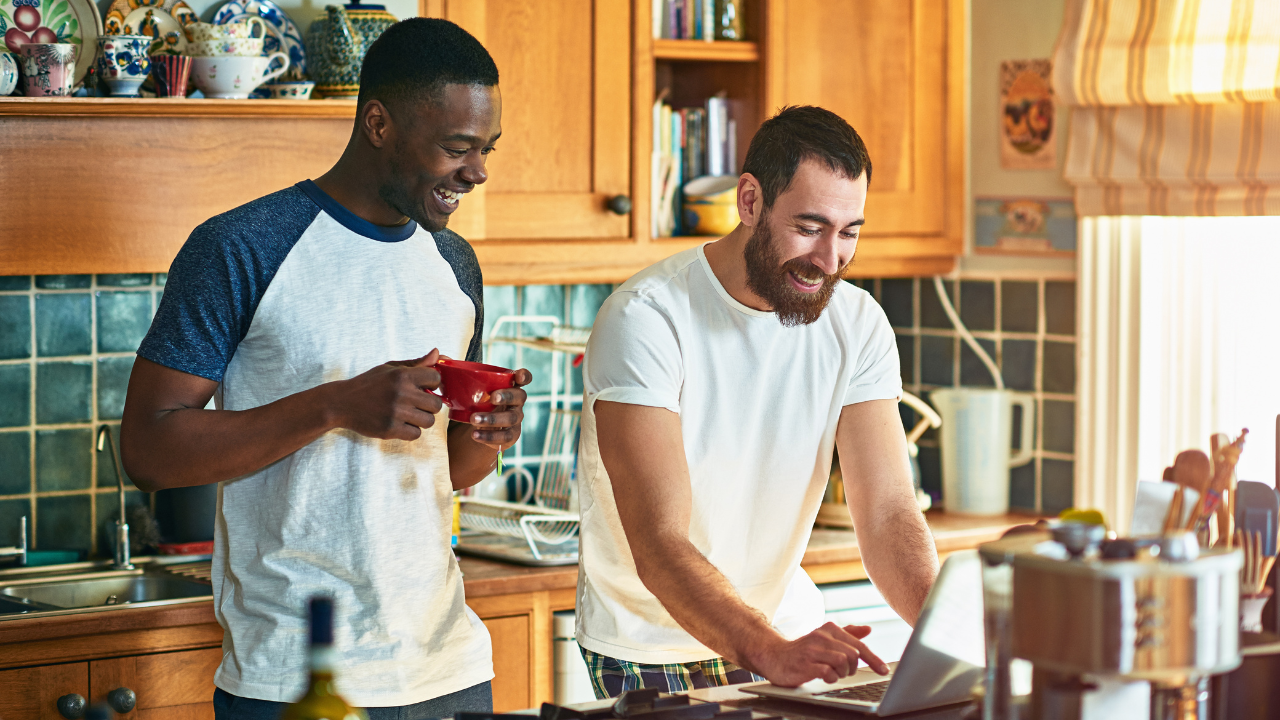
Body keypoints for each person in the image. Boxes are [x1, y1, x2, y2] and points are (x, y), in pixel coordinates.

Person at [119, 19, 527, 719]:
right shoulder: (240, 247)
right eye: (457, 148)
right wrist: (333, 405)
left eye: (485, 149)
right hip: (292, 676)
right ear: (378, 122)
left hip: (445, 665)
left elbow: (448, 472)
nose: (478, 171)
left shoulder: (453, 264)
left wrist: (487, 432)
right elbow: (149, 449)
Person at [575, 106, 939, 697]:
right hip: (650, 645)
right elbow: (660, 543)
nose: (829, 260)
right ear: (749, 202)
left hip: (783, 628)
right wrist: (769, 650)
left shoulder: (859, 323)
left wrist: (945, 632)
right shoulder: (647, 318)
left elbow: (888, 511)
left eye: (849, 232)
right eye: (810, 227)